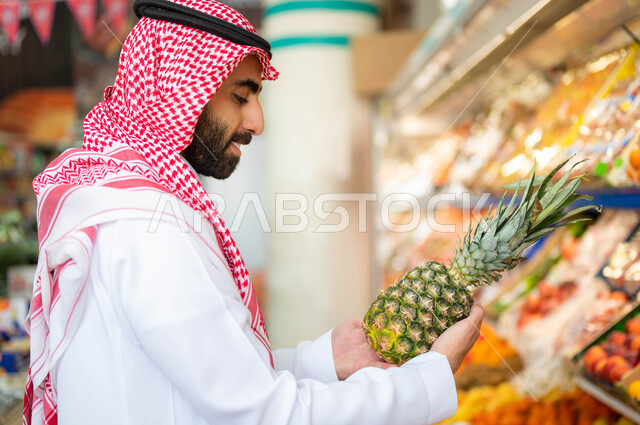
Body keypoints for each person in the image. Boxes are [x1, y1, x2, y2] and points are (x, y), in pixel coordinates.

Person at [22, 1, 484, 424]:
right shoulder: (148, 227)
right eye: (241, 97)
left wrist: (325, 358)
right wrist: (430, 377)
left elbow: (207, 378)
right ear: (176, 91)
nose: (257, 122)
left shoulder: (123, 203)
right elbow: (265, 415)